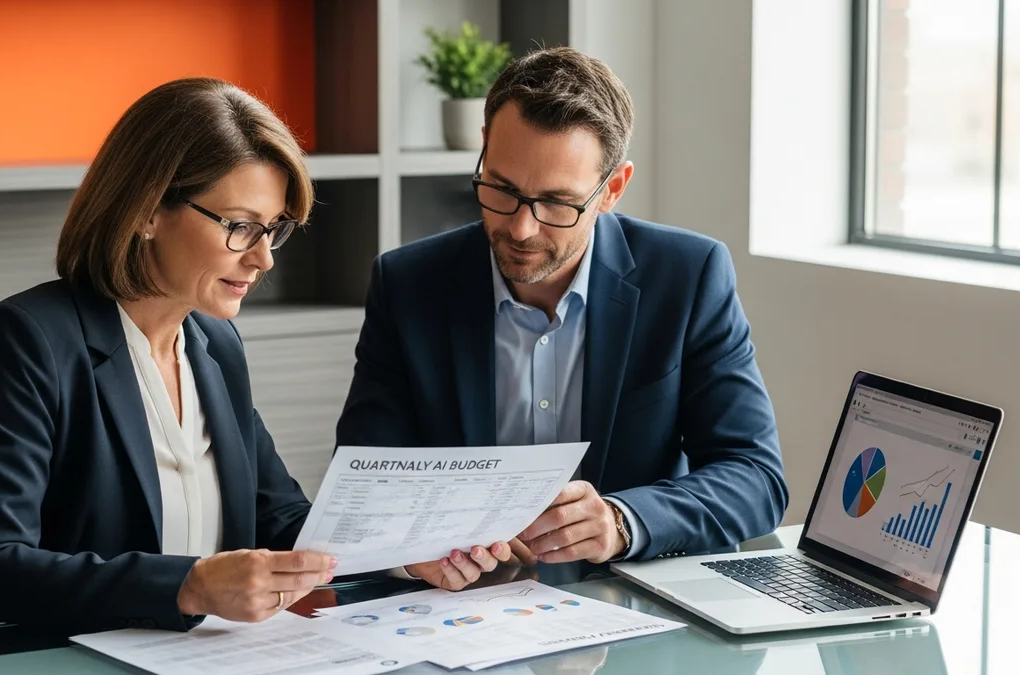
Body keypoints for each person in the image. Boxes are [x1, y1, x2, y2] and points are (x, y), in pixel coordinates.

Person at [336, 47, 789, 588]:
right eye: (501, 190)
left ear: (612, 190)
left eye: (557, 203)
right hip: (460, 611)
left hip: (631, 603)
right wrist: (416, 553)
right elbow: (363, 484)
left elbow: (755, 477)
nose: (522, 229)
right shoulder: (408, 285)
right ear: (483, 151)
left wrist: (623, 521)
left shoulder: (688, 277)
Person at [0, 78, 344, 633]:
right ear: (147, 211)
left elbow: (279, 517)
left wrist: (408, 549)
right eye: (241, 227)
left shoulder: (215, 346)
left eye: (273, 230)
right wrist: (188, 585)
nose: (264, 259)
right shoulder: (23, 342)